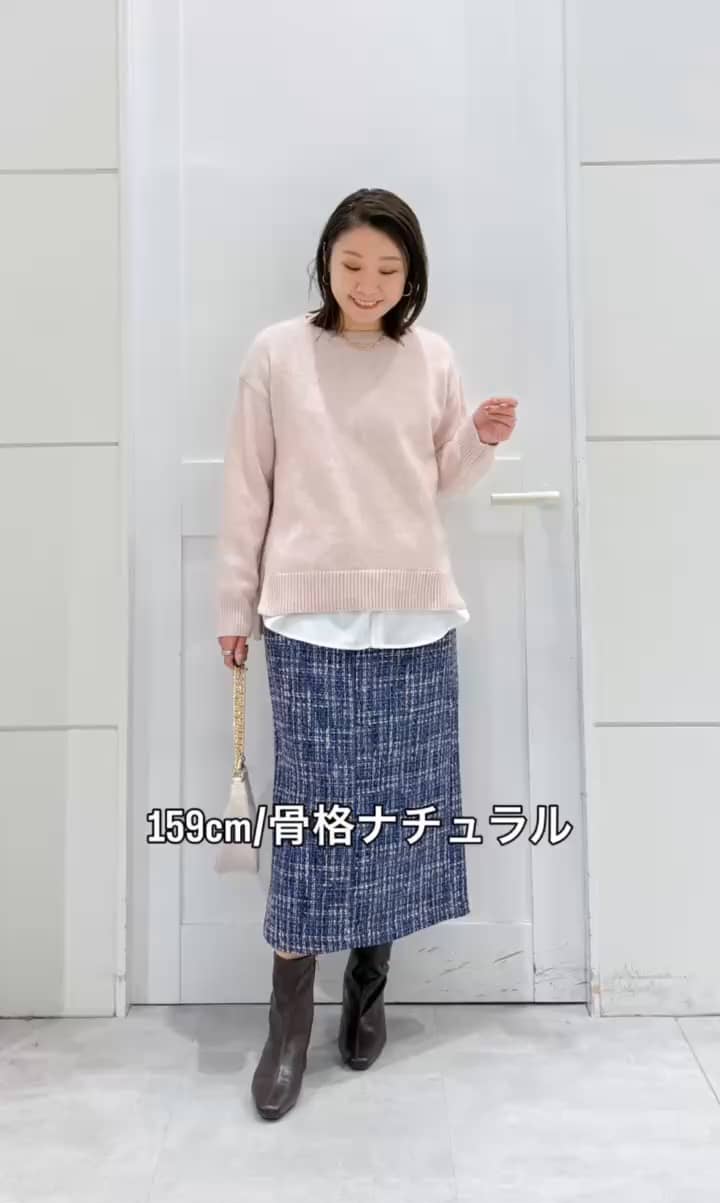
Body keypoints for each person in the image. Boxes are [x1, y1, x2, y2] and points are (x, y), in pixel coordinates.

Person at [215, 187, 517, 1121]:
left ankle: (368, 989)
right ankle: (288, 1024)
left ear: (410, 274)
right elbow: (248, 484)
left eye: (389, 269)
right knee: (314, 824)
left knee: (396, 817)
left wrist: (479, 440)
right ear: (326, 263)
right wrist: (233, 603)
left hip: (415, 618)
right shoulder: (278, 353)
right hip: (306, 618)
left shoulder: (431, 357)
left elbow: (442, 476)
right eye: (352, 265)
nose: (369, 283)